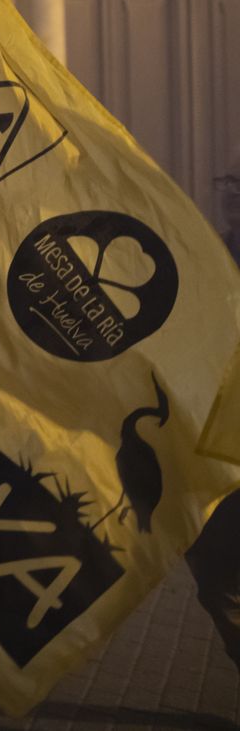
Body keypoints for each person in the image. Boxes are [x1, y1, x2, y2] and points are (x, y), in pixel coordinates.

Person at [185, 148, 240, 674]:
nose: (234, 195)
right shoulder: (208, 257)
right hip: (221, 459)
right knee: (216, 576)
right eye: (231, 181)